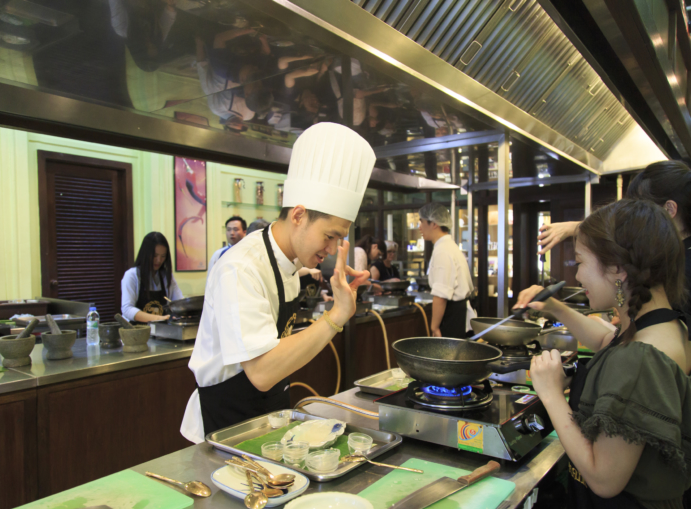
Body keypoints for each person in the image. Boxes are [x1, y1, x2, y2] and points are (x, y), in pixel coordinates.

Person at [516, 198, 691, 509]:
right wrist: (556, 308)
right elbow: (608, 341)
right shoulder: (670, 326)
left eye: (579, 262)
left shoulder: (642, 359)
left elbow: (603, 477)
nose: (576, 275)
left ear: (618, 269)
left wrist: (550, 394)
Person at [180, 122, 376, 442]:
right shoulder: (241, 268)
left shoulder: (287, 263)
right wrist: (336, 316)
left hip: (267, 417)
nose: (330, 250)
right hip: (226, 427)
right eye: (329, 236)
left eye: (339, 238)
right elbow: (262, 372)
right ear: (298, 216)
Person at [419, 202, 473, 338]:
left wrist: (434, 327)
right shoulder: (450, 246)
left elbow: (441, 294)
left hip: (451, 317)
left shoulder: (442, 251)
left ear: (434, 223)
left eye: (422, 222)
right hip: (458, 313)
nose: (420, 227)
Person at [121, 232, 184, 322]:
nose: (159, 260)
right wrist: (159, 318)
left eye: (163, 256)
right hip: (137, 333)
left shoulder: (166, 277)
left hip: (160, 332)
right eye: (155, 256)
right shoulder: (132, 275)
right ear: (145, 254)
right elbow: (127, 309)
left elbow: (178, 302)